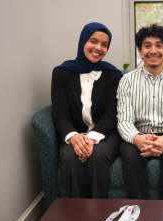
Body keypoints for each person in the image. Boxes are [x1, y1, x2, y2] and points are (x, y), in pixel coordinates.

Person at [117, 24, 163, 200]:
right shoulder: (127, 81)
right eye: (147, 45)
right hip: (137, 133)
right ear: (140, 50)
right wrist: (137, 138)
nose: (153, 50)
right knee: (130, 157)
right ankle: (140, 210)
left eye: (159, 45)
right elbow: (124, 121)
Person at [52, 22, 122, 199]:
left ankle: (98, 212)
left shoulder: (113, 75)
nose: (98, 48)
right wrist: (74, 137)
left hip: (105, 134)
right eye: (93, 41)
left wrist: (91, 139)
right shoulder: (61, 73)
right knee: (69, 157)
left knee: (97, 156)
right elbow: (60, 115)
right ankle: (78, 215)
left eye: (104, 45)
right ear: (83, 41)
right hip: (74, 133)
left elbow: (111, 115)